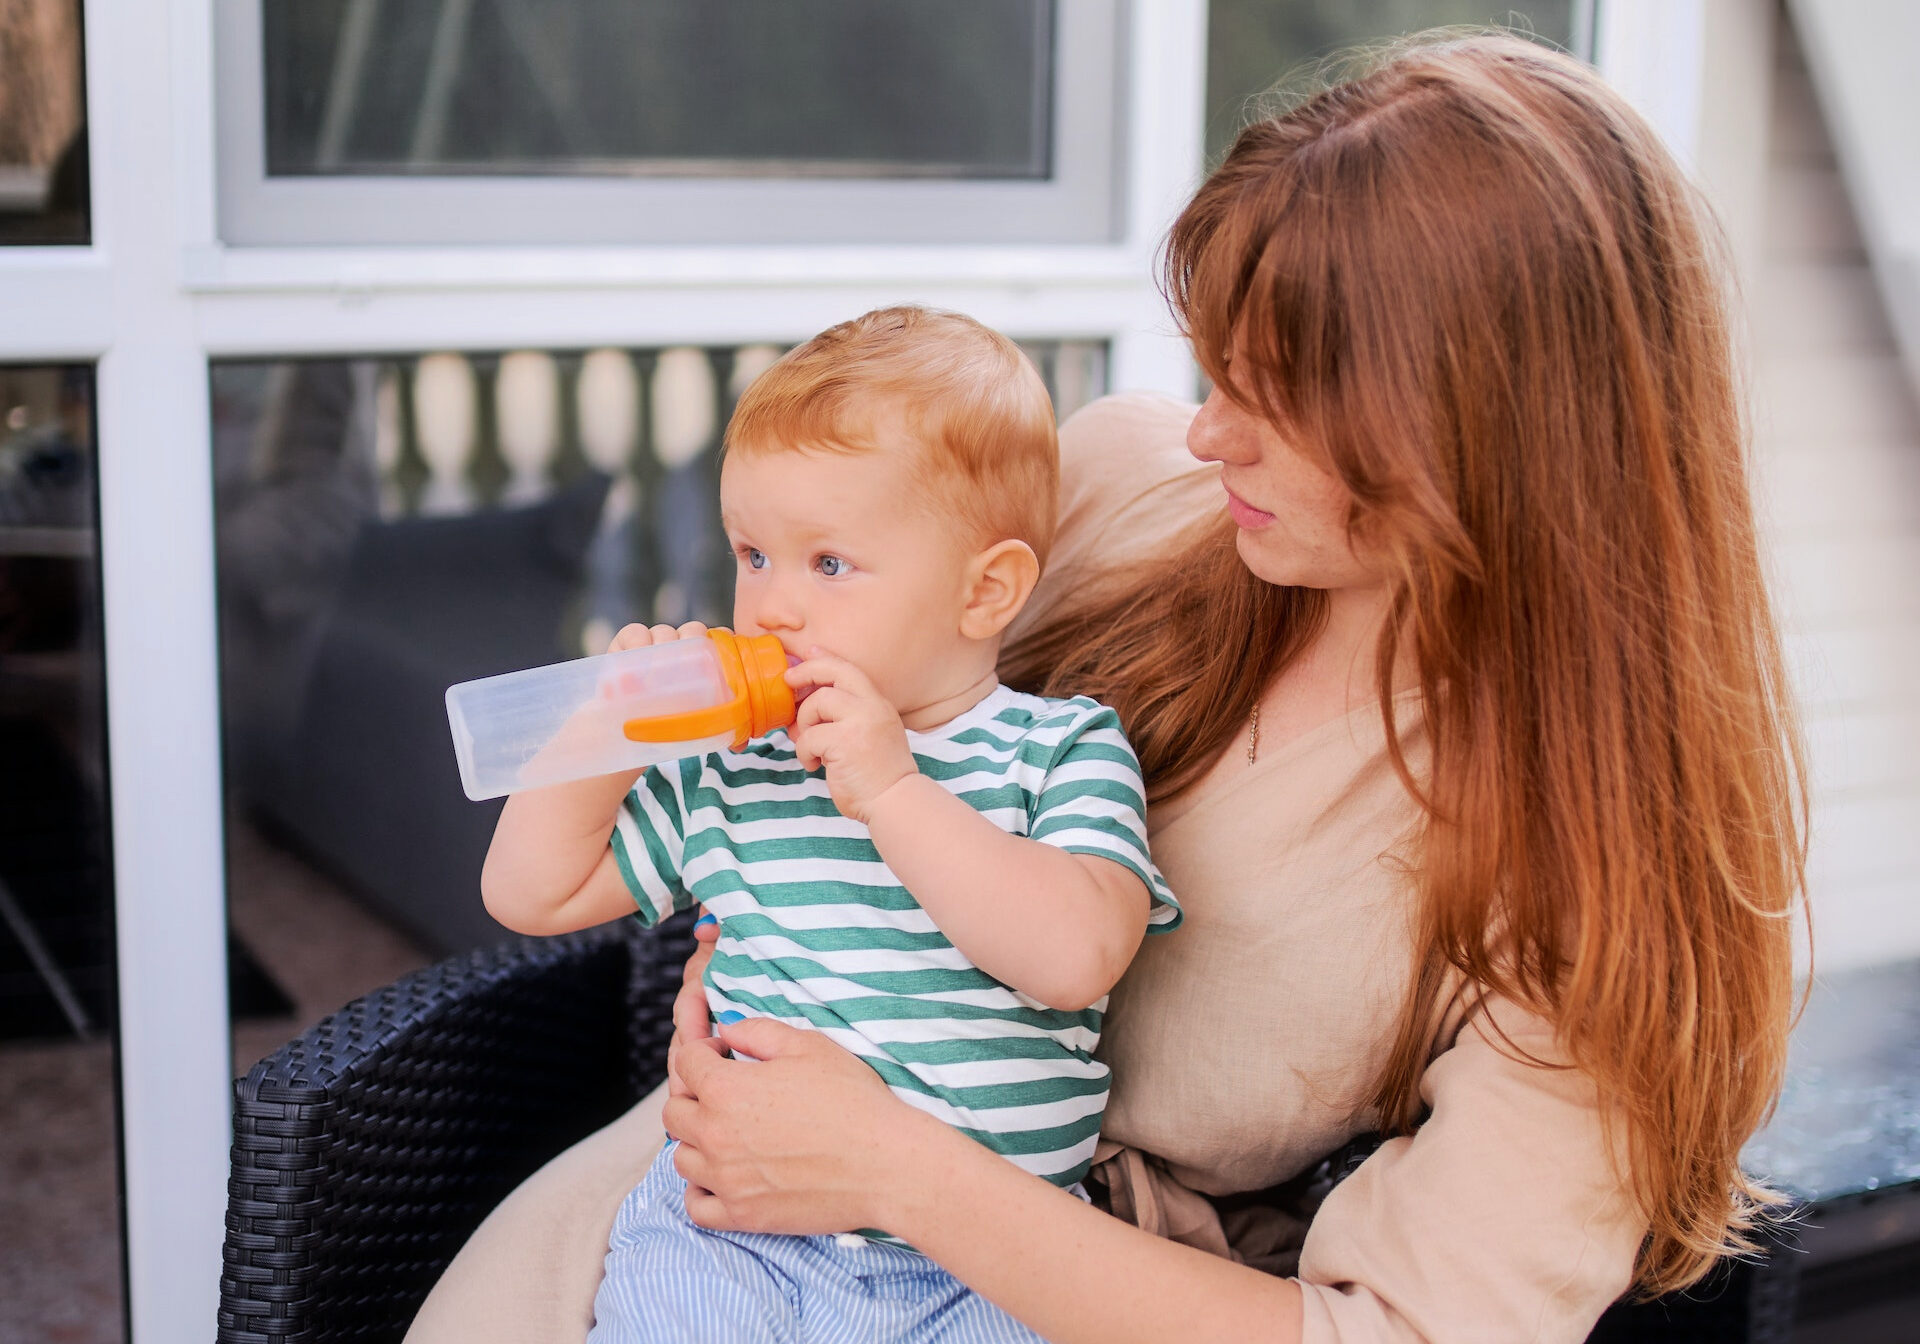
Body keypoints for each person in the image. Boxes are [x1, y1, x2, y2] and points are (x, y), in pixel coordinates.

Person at [408, 33, 1805, 1344]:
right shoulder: (1129, 487)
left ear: (1491, 429)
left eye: (1279, 396)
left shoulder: (1599, 884)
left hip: (1035, 1289)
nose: (1209, 431)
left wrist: (901, 1172)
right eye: (1217, 366)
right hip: (707, 1199)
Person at [477, 305, 1180, 1343]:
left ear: (986, 591)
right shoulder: (737, 770)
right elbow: (529, 895)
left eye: (829, 565)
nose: (770, 610)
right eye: (752, 554)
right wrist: (604, 738)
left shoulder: (1057, 751)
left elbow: (1075, 957)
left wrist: (892, 789)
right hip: (730, 1241)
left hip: (984, 1268)